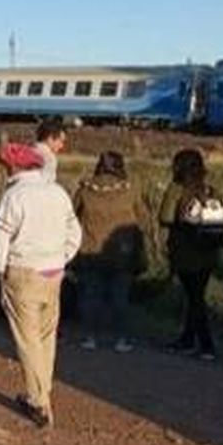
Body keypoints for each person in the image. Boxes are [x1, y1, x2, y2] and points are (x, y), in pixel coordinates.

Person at [0, 142, 82, 429]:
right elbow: (74, 232)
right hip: (53, 273)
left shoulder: (14, 196)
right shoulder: (58, 192)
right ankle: (43, 391)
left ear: (14, 167)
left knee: (27, 340)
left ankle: (38, 401)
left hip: (22, 272)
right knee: (45, 337)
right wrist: (62, 257)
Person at [72, 151, 151, 353]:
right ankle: (121, 339)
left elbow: (72, 215)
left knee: (90, 295)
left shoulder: (85, 189)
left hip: (90, 249)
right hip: (123, 252)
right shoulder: (131, 189)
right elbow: (143, 219)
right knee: (120, 297)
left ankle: (90, 337)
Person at [158, 148, 223, 361]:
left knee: (195, 299)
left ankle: (206, 345)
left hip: (186, 252)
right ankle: (187, 339)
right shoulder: (212, 190)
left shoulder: (176, 189)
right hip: (209, 252)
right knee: (195, 296)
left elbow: (165, 217)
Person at [33, 119, 66, 183]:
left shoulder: (29, 150)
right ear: (50, 138)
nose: (61, 146)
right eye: (61, 141)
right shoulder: (49, 157)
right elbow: (46, 183)